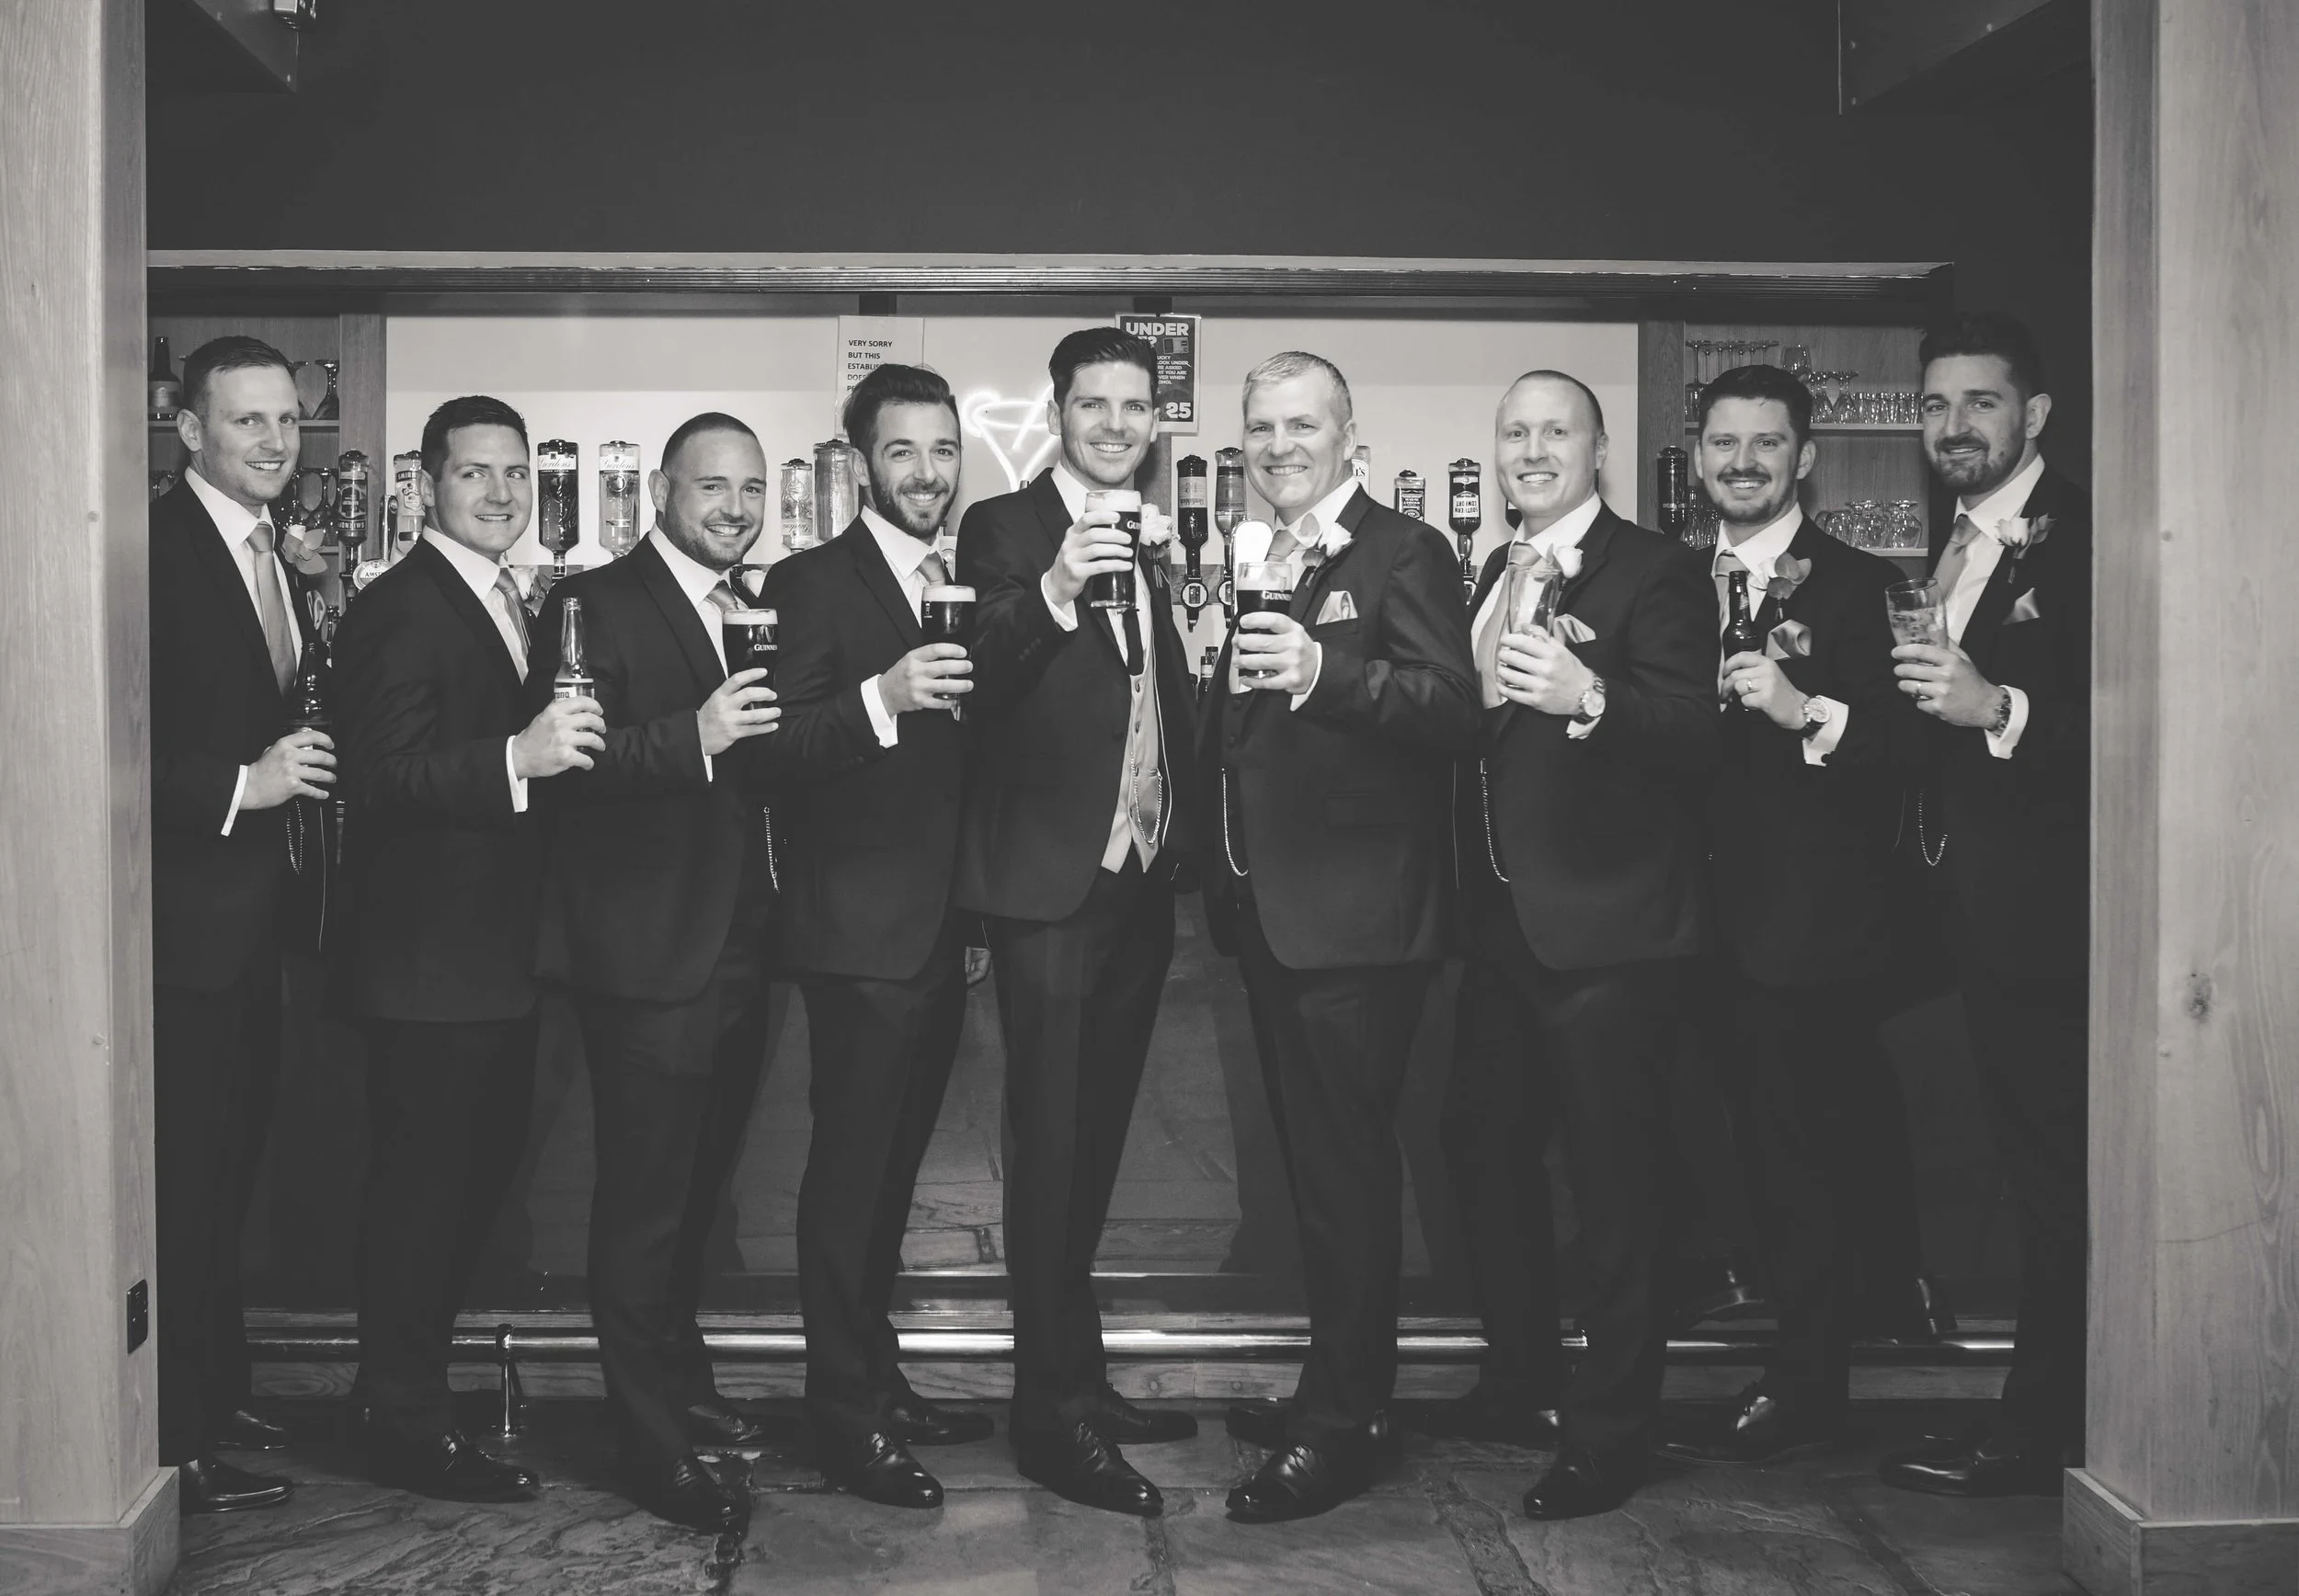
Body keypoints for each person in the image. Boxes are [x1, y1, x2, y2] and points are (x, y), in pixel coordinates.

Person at [1204, 351, 1481, 1522]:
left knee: (1348, 1181)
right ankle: (1338, 1388)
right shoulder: (1259, 552)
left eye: (1300, 425)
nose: (1278, 446)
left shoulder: (1403, 549)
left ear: (1348, 434)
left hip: (1359, 927)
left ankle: (1345, 1423)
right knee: (1316, 1179)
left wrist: (1327, 670)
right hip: (1278, 917)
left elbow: (1453, 708)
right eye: (1260, 428)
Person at [1439, 370, 1719, 1521]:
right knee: (1481, 1151)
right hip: (1496, 931)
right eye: (1515, 432)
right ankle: (1518, 1380)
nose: (1532, 449)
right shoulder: (1486, 571)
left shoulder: (1656, 569)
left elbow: (1694, 729)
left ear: (1598, 449)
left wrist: (1590, 693)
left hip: (1608, 934)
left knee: (1616, 1192)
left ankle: (1611, 1431)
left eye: (1556, 430)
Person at [331, 396, 604, 1501]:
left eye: (515, 473)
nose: (499, 493)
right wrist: (515, 758)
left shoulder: (506, 596)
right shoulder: (400, 608)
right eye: (474, 473)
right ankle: (401, 1419)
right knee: (421, 1202)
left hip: (491, 961)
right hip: (427, 967)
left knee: (461, 1196)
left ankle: (397, 1397)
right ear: (426, 486)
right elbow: (378, 778)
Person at [1654, 365, 1927, 1465]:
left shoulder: (1865, 584)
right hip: (1683, 922)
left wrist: (1804, 707)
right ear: (1698, 456)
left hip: (1806, 930)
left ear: (1804, 457)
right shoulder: (1669, 582)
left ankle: (1809, 1382)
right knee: (1716, 1146)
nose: (1742, 462)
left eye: (1765, 443)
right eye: (1723, 443)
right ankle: (1729, 1327)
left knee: (1802, 1155)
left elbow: (1908, 748)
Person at [954, 328, 1202, 1515]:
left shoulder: (1153, 534)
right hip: (1048, 882)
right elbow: (980, 664)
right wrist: (1057, 585)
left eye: (1133, 406)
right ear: (1056, 412)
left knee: (1093, 1143)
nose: (1113, 424)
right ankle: (1048, 1418)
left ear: (1156, 421)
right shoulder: (1003, 528)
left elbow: (1149, 694)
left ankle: (1081, 1376)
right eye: (1092, 404)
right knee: (1048, 1149)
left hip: (1136, 881)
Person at [528, 412, 782, 1534]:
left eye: (751, 488)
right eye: (712, 486)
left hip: (739, 945)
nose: (734, 507)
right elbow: (570, 764)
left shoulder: (748, 603)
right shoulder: (591, 601)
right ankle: (647, 1439)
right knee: (642, 1204)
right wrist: (698, 733)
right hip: (646, 952)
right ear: (662, 493)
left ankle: (679, 1385)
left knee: (694, 1193)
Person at [758, 364, 988, 1510]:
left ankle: (878, 1376)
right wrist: (881, 697)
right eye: (903, 450)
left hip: (940, 929)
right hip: (854, 932)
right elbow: (776, 745)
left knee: (893, 1174)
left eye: (942, 449)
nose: (927, 471)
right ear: (859, 463)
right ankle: (841, 1414)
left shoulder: (963, 578)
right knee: (849, 1178)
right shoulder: (808, 581)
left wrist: (973, 914)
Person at [1882, 312, 2091, 1498]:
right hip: (1958, 912)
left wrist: (1998, 708)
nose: (1952, 424)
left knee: (2057, 1177)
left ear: (2034, 415)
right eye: (1935, 404)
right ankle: (2037, 1411)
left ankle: (2044, 1429)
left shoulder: (2088, 536)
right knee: (2022, 1166)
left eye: (1980, 402)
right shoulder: (1954, 541)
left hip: (2051, 923)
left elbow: (2143, 718)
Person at [150, 335, 332, 1514]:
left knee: (228, 1177)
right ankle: (174, 1441)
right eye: (247, 420)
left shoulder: (277, 551)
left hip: (258, 926)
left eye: (286, 420)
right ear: (189, 430)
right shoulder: (150, 549)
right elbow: (97, 732)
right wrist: (240, 785)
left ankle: (218, 1393)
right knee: (181, 1191)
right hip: (179, 933)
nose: (274, 441)